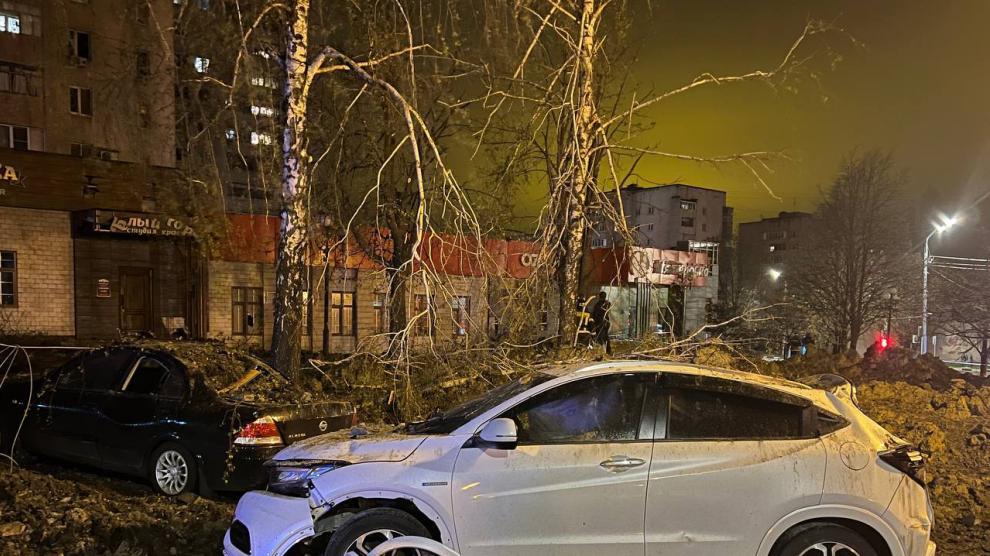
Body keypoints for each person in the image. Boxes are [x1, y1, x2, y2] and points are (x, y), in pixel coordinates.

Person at [589, 291, 613, 355]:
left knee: (602, 337)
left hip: (601, 323)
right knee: (604, 336)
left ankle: (605, 351)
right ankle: (607, 351)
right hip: (604, 322)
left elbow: (595, 314)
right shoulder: (606, 304)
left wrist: (593, 320)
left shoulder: (600, 304)